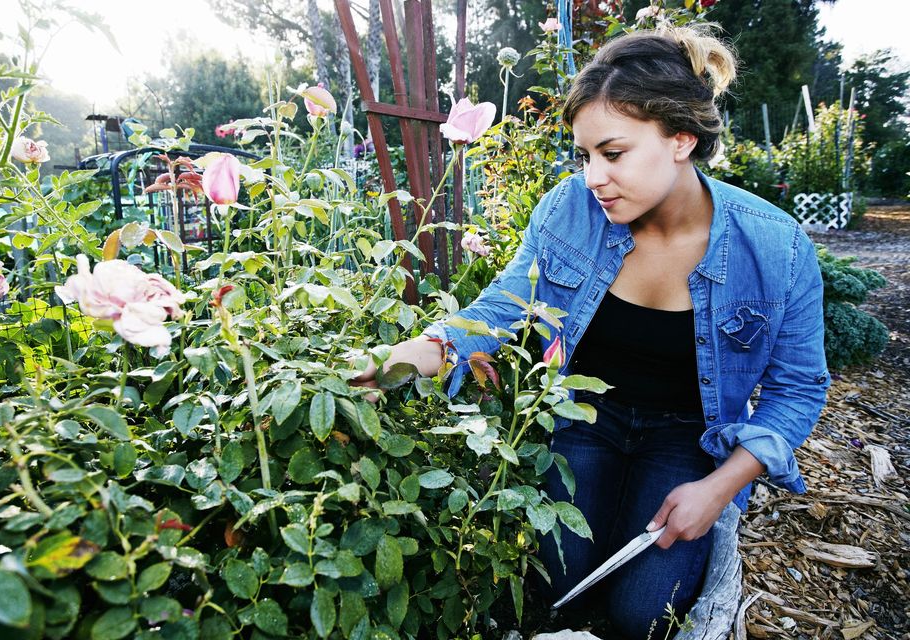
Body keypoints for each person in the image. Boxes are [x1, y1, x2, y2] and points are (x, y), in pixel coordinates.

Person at [353, 24, 830, 639]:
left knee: (642, 616)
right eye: (583, 156)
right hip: (583, 416)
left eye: (612, 153)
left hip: (690, 438)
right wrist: (409, 356)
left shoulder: (775, 247)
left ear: (681, 139)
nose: (592, 177)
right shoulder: (569, 210)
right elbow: (503, 306)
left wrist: (718, 488)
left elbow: (798, 390)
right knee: (555, 585)